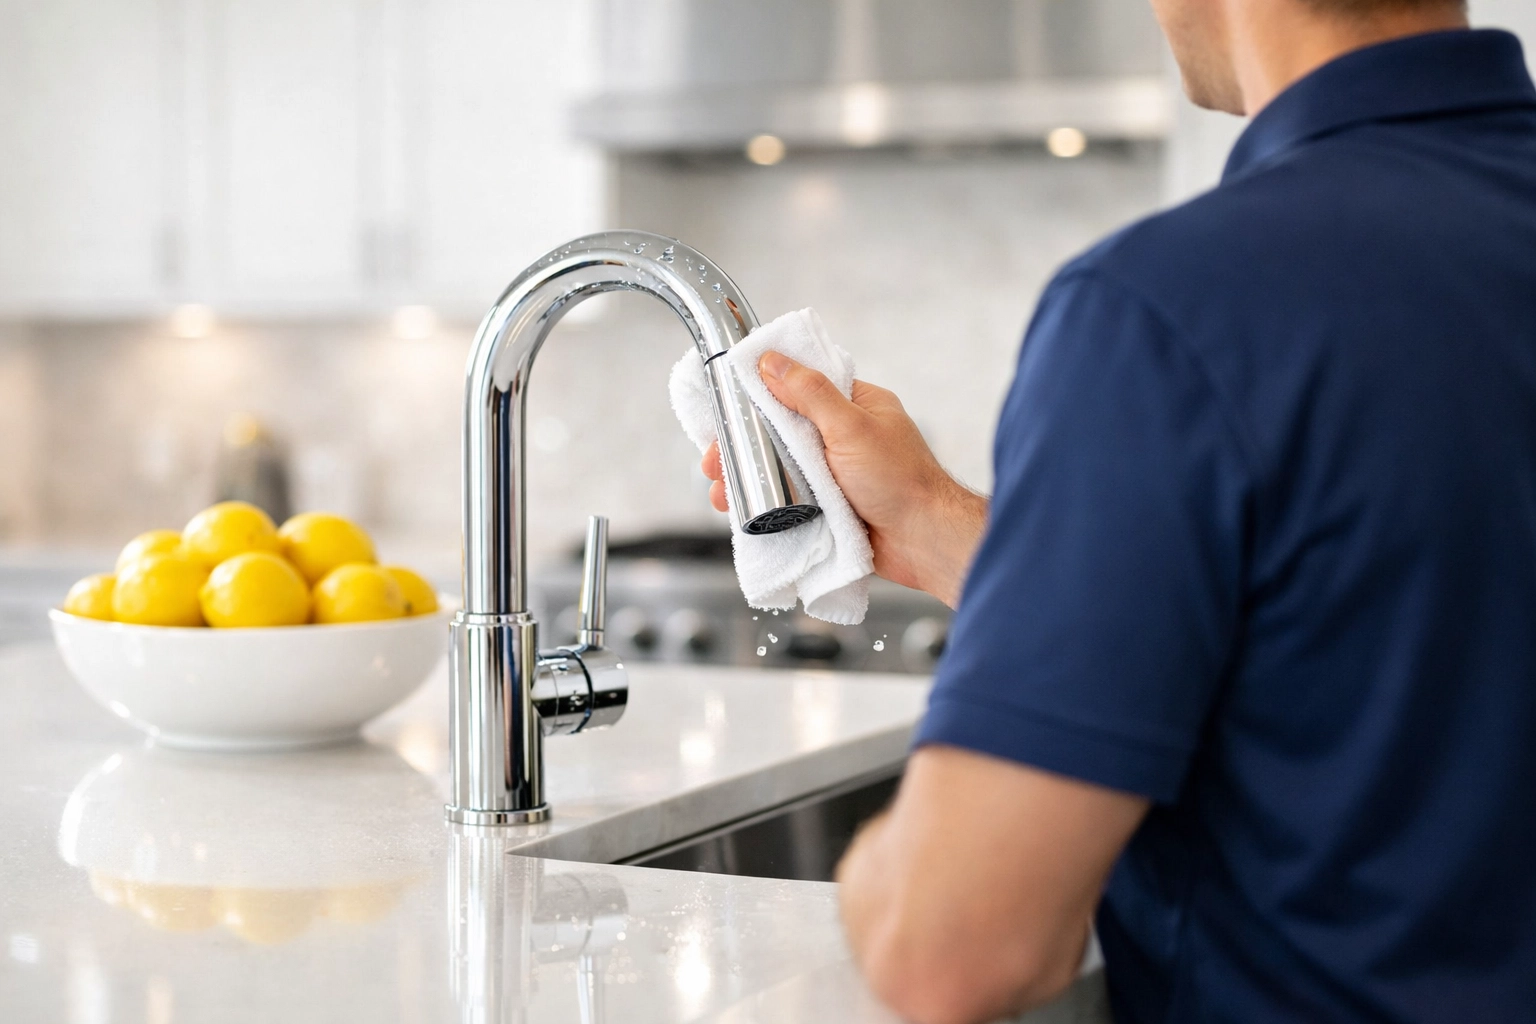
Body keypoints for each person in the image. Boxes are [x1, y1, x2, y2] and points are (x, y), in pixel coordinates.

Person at [700, 1, 1536, 1021]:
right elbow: (1405, 627)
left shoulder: (1171, 307)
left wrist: (901, 853)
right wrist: (932, 516)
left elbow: (953, 949)